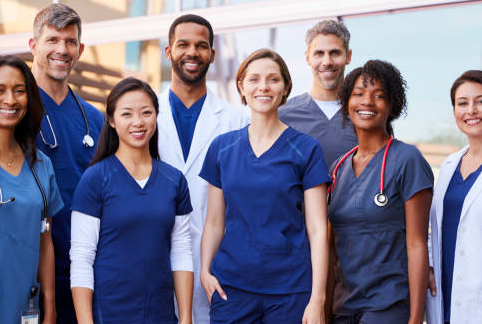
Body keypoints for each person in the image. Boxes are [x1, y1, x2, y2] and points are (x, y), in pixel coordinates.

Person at [200, 49, 330, 324]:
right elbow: (213, 222)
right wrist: (204, 270)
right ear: (241, 88)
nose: (263, 87)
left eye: (273, 80)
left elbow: (318, 229)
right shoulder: (222, 148)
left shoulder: (306, 150)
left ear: (285, 89)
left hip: (290, 291)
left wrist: (317, 298)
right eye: (254, 79)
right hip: (231, 289)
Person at [70, 77, 194, 324]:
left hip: (161, 314)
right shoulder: (95, 179)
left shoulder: (174, 180)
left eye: (146, 113)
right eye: (127, 114)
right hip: (110, 314)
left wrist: (186, 317)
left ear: (156, 117)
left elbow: (181, 252)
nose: (138, 122)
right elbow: (82, 258)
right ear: (112, 121)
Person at [157, 14, 249, 324]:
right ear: (168, 52)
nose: (192, 53)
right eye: (183, 45)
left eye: (202, 46)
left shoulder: (238, 121)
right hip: (155, 258)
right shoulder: (145, 117)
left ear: (212, 54)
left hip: (220, 264)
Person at [328, 60, 433, 324]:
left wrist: (416, 318)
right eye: (359, 94)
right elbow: (331, 249)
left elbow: (417, 243)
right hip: (344, 307)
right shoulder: (338, 168)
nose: (368, 102)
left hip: (388, 304)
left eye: (379, 96)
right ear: (347, 102)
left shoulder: (407, 160)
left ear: (392, 105)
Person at [28, 4, 104, 323]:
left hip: (83, 276)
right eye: (53, 40)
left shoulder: (95, 120)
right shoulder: (13, 111)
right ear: (33, 46)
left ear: (81, 49)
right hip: (27, 271)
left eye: (70, 41)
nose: (62, 49)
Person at [0, 55, 63, 324]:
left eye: (19, 91)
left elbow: (45, 239)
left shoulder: (41, 165)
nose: (11, 100)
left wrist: (50, 305)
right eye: (1, 90)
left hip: (25, 305)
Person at [425, 70, 482, 324]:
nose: (472, 110)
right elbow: (435, 227)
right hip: (444, 290)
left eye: (481, 101)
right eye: (463, 103)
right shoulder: (449, 165)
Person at [278, 19, 357, 168]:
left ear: (348, 56)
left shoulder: (365, 114)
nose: (327, 61)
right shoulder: (282, 116)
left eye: (335, 53)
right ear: (308, 57)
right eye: (319, 53)